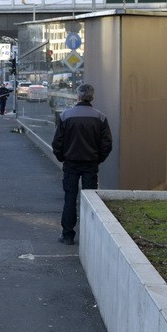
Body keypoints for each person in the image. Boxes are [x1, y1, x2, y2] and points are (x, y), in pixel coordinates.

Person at [51, 83, 113, 246]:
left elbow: (57, 142)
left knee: (70, 198)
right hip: (91, 163)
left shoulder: (66, 116)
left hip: (71, 163)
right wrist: (98, 158)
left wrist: (62, 157)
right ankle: (90, 234)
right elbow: (107, 144)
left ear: (78, 96)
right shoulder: (100, 117)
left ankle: (67, 235)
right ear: (92, 97)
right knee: (90, 199)